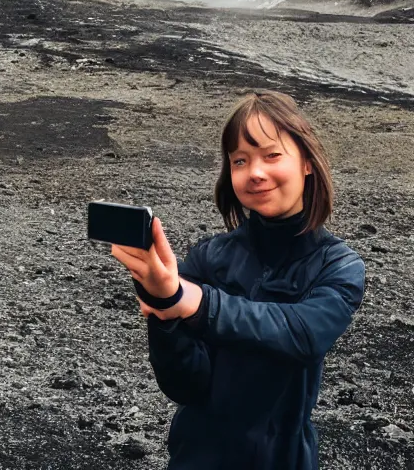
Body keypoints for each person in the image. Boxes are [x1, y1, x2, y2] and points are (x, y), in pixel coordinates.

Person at [111, 89, 366, 470]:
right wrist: (163, 305)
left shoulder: (339, 266)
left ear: (307, 162)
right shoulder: (209, 257)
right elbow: (184, 385)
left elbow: (301, 334)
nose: (256, 173)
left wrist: (194, 303)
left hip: (283, 457)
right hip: (197, 456)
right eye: (240, 160)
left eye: (272, 155)